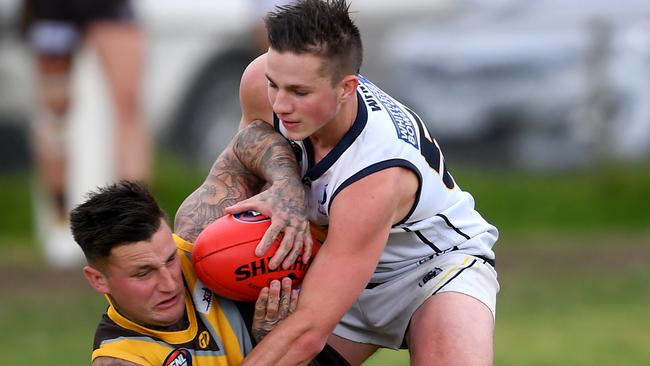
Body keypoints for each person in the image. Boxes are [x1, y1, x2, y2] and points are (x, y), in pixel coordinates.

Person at [216, 1, 500, 365]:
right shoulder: (259, 83)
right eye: (276, 85)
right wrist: (281, 188)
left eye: (300, 92)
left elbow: (308, 330)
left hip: (431, 269)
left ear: (347, 88)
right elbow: (235, 177)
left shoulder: (374, 172)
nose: (281, 105)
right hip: (335, 260)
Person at [70, 180, 349, 365]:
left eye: (169, 259)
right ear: (98, 279)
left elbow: (252, 136)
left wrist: (285, 187)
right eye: (144, 274)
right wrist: (273, 346)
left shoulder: (196, 240)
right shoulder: (124, 359)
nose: (170, 284)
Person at [22, 0, 152, 267]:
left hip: (108, 9)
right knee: (55, 112)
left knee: (127, 107)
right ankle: (59, 225)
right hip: (52, 9)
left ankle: (138, 221)